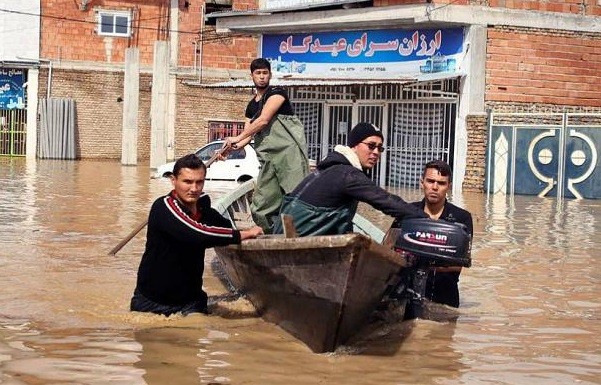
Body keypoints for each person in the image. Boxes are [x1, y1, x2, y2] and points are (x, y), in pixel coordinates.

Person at [130, 154, 263, 317]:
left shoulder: (203, 209)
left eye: (199, 182)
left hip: (191, 302)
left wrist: (250, 232)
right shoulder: (163, 208)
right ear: (173, 180)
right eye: (187, 182)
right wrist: (240, 234)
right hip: (152, 304)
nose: (194, 189)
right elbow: (196, 234)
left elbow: (224, 226)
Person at [273, 122, 428, 236]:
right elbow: (386, 201)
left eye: (380, 148)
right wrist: (427, 220)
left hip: (287, 237)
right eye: (371, 146)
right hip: (301, 247)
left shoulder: (330, 168)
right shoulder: (347, 174)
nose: (376, 152)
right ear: (354, 146)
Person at [220, 58, 310, 233]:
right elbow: (247, 135)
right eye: (258, 73)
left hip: (289, 155)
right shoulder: (251, 105)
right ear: (252, 76)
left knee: (297, 198)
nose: (261, 77)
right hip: (268, 159)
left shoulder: (277, 93)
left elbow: (263, 121)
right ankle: (272, 236)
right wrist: (231, 147)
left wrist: (237, 137)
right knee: (261, 205)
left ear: (270, 74)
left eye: (265, 73)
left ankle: (300, 235)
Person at [392, 159, 473, 308]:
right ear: (421, 182)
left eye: (441, 183)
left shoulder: (461, 218)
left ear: (448, 187)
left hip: (445, 300)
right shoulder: (407, 214)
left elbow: (459, 264)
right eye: (430, 181)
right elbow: (391, 251)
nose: (434, 187)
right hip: (406, 297)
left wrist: (418, 261)